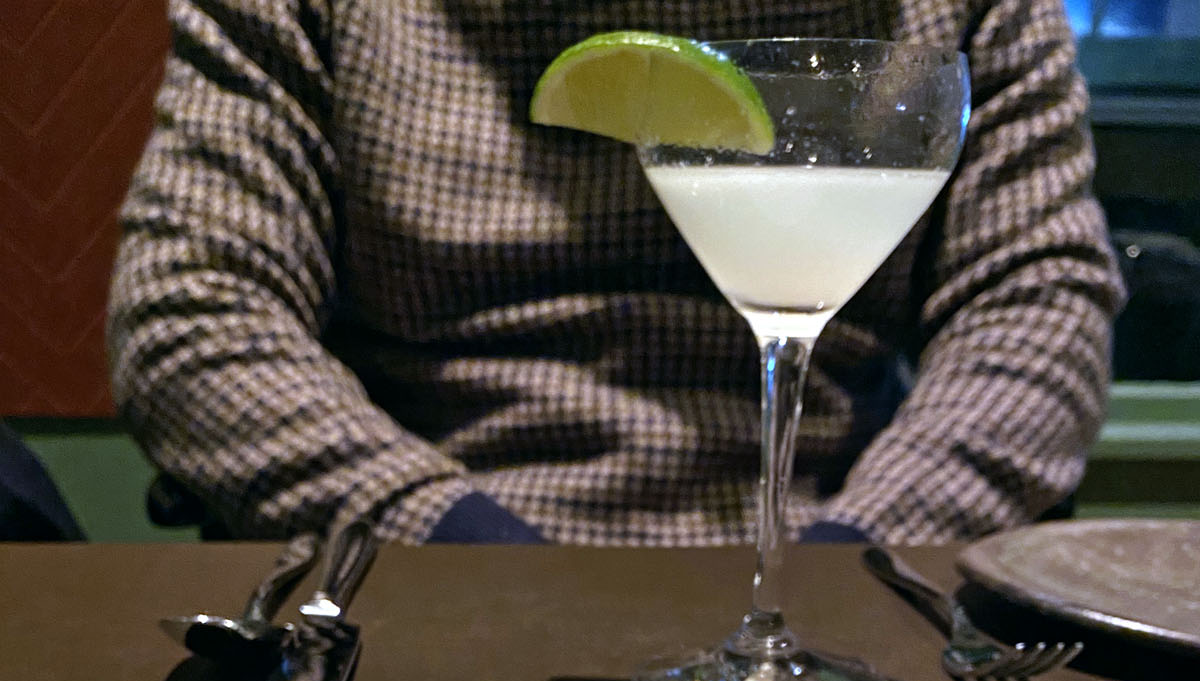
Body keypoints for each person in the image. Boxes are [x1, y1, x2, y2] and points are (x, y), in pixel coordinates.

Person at [107, 0, 1124, 548]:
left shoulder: (968, 13)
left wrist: (859, 549)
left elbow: (1036, 301)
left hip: (836, 541)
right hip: (432, 559)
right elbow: (193, 301)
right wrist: (446, 534)